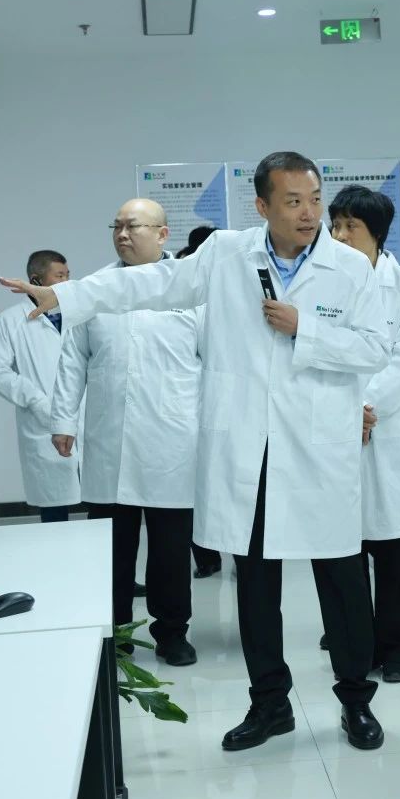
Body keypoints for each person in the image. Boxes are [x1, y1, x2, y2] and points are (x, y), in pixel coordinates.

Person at [2, 152, 391, 752]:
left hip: (317, 452)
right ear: (261, 206)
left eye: (315, 199)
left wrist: (306, 330)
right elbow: (149, 282)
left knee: (341, 582)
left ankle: (355, 701)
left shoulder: (349, 267)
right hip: (249, 450)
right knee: (255, 587)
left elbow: (374, 349)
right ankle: (270, 703)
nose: (309, 213)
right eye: (293, 202)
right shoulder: (227, 254)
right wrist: (67, 297)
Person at [49, 199, 200, 668]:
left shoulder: (192, 288)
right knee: (112, 548)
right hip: (110, 436)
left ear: (162, 233)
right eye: (116, 226)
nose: (122, 234)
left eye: (132, 226)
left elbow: (216, 361)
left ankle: (172, 632)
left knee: (171, 549)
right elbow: (73, 359)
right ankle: (115, 634)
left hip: (172, 439)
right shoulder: (94, 289)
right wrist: (63, 420)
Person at [329, 185, 400, 683]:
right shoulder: (325, 286)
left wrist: (366, 407)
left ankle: (398, 650)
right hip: (336, 430)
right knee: (344, 548)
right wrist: (345, 410)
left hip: (388, 427)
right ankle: (357, 644)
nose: (339, 235)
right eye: (335, 226)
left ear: (377, 233)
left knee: (394, 551)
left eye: (350, 226)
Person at [0, 249, 80, 523]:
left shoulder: (79, 314)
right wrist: (35, 400)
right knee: (55, 509)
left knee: (100, 506)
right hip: (43, 420)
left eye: (68, 275)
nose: (67, 282)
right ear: (36, 280)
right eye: (59, 276)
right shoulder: (11, 320)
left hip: (86, 418)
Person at [175, 223, 224, 579]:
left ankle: (219, 557)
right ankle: (207, 556)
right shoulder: (186, 279)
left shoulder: (229, 277)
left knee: (218, 490)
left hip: (214, 401)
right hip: (189, 405)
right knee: (197, 492)